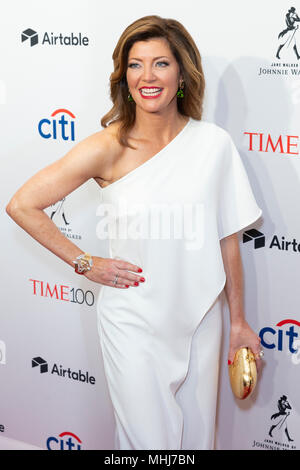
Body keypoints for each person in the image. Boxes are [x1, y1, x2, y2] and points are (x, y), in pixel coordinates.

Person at [6, 15, 264, 450]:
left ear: (182, 73)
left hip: (201, 318)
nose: (147, 76)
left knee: (198, 442)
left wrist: (237, 320)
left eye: (160, 63)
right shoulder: (110, 146)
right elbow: (22, 204)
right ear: (123, 77)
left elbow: (227, 240)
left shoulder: (213, 145)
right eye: (135, 64)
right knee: (150, 446)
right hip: (134, 322)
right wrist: (84, 263)